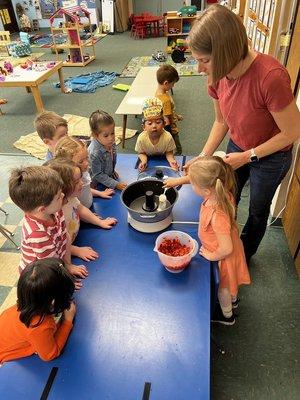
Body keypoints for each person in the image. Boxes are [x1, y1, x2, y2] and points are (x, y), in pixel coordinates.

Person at [184, 4, 300, 263]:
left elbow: (292, 131)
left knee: (258, 210)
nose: (200, 69)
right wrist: (204, 156)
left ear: (225, 53)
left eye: (204, 60)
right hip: (238, 145)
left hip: (271, 156)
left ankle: (243, 256)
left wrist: (248, 156)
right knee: (226, 197)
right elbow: (221, 120)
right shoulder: (217, 75)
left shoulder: (270, 77)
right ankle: (226, 244)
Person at [189, 157, 251, 325]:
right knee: (231, 285)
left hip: (224, 257)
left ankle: (227, 315)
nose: (192, 185)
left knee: (222, 288)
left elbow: (226, 248)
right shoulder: (223, 193)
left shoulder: (217, 215)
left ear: (207, 191)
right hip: (229, 249)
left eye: (193, 183)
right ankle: (234, 300)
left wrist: (211, 255)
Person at [8, 165, 87, 288]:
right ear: (42, 209)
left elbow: (65, 237)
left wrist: (68, 265)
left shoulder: (55, 210)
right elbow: (50, 267)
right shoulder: (37, 234)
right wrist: (66, 281)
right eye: (58, 196)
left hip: (56, 262)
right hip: (40, 276)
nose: (62, 196)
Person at [0, 258, 76, 363]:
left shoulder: (28, 302)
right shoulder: (39, 327)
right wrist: (67, 321)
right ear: (52, 302)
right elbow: (50, 354)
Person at [46, 158, 117, 261]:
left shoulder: (70, 198)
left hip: (75, 237)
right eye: (76, 182)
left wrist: (100, 222)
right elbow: (59, 243)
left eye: (80, 179)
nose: (82, 183)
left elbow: (80, 209)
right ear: (63, 187)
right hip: (66, 251)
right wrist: (77, 251)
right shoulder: (56, 211)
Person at [54, 136, 114, 209]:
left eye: (87, 157)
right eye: (81, 161)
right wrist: (84, 216)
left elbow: (86, 189)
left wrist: (100, 193)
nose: (87, 163)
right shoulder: (69, 183)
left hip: (89, 207)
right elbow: (73, 205)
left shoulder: (83, 171)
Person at [135, 98, 179, 172]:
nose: (154, 126)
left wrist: (172, 162)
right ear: (143, 127)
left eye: (158, 122)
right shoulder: (141, 138)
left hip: (163, 160)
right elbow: (141, 153)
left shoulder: (167, 137)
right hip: (149, 160)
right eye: (149, 123)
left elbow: (169, 153)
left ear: (164, 124)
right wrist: (144, 161)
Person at [88, 110, 127, 190]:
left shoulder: (109, 142)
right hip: (95, 182)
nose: (111, 138)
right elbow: (97, 174)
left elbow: (111, 158)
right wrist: (116, 184)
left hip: (106, 176)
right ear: (95, 135)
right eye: (106, 135)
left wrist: (111, 171)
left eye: (112, 133)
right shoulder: (94, 153)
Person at [155, 65, 183, 154]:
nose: (173, 86)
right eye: (173, 83)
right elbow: (167, 121)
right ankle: (179, 156)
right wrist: (170, 135)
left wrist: (176, 116)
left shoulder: (157, 93)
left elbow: (164, 112)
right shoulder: (166, 100)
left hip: (164, 125)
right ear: (166, 83)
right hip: (172, 129)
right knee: (176, 147)